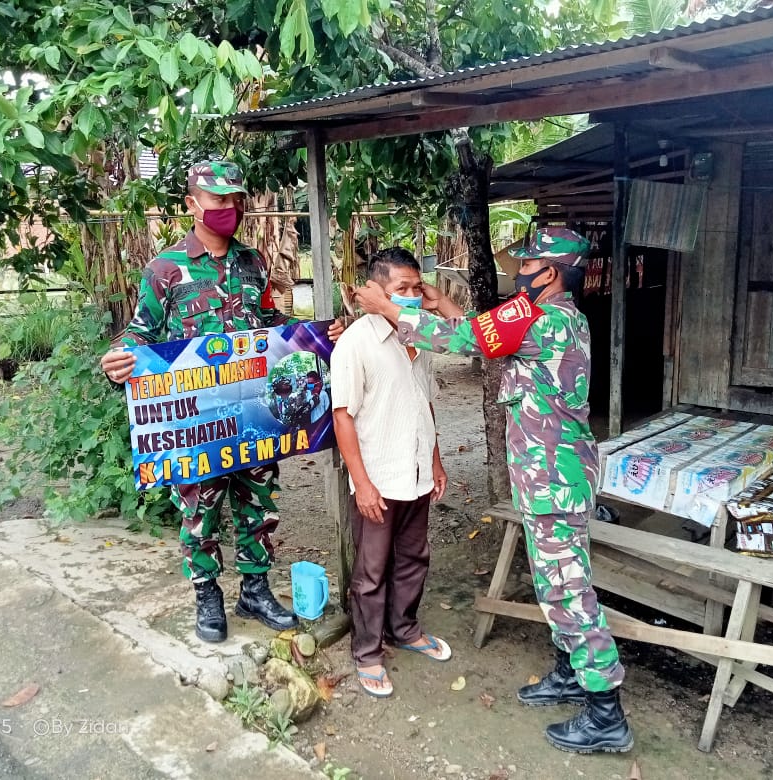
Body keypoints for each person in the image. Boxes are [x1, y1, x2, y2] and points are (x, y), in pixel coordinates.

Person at [353, 227, 632, 751]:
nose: (518, 272)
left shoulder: (548, 322)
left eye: (526, 266)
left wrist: (393, 309)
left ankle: (605, 712)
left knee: (568, 591)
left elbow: (464, 341)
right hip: (551, 475)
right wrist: (444, 303)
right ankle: (571, 673)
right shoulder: (550, 317)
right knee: (557, 582)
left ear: (550, 274)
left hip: (555, 479)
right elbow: (486, 329)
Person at [101, 159, 314, 643]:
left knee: (259, 504)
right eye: (219, 199)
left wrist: (312, 339)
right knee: (201, 511)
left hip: (254, 412)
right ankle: (208, 596)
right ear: (192, 204)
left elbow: (269, 326)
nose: (230, 208)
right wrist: (117, 359)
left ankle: (256, 590)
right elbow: (141, 332)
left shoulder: (252, 262)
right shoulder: (165, 268)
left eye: (236, 199)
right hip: (197, 419)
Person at [331, 247, 450, 698]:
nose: (413, 296)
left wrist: (436, 461)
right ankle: (367, 652)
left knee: (414, 558)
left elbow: (426, 405)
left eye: (417, 288)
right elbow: (343, 416)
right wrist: (361, 483)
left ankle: (404, 628)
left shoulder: (420, 339)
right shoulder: (356, 343)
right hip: (378, 478)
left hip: (416, 473)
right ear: (374, 293)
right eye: (402, 289)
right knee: (371, 571)